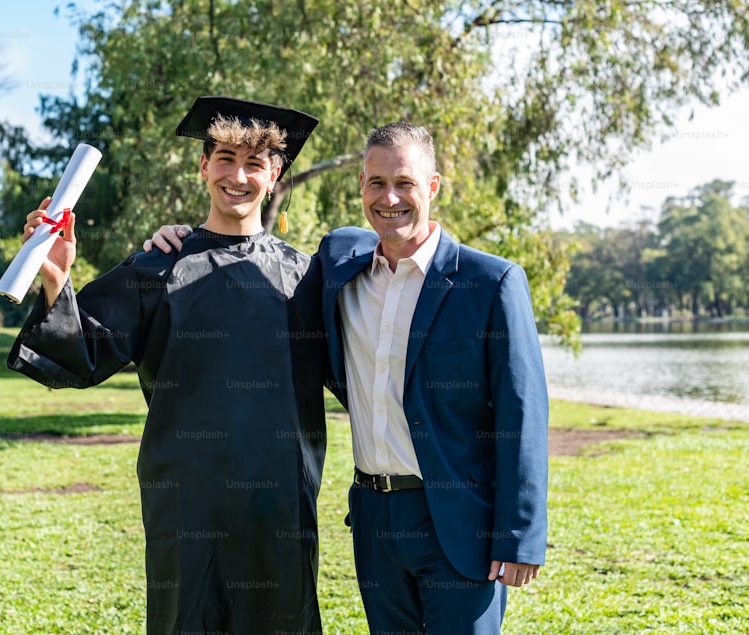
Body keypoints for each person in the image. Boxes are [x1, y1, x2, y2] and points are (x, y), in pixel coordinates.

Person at [150, 122, 548, 634]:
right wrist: (182, 240)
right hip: (374, 519)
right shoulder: (339, 264)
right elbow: (246, 270)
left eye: (405, 183)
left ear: (433, 186)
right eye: (376, 183)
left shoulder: (491, 282)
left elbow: (524, 412)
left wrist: (519, 537)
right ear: (361, 185)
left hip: (457, 519)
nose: (390, 198)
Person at [7, 96, 327, 635]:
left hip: (278, 506)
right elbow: (82, 353)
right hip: (187, 504)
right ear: (203, 166)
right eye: (224, 158)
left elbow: (369, 367)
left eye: (254, 164)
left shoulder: (307, 279)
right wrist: (57, 278)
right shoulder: (159, 266)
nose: (238, 175)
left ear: (275, 175)